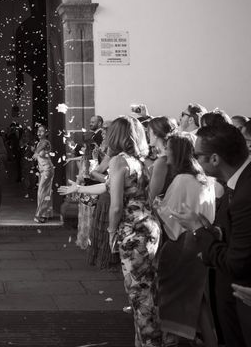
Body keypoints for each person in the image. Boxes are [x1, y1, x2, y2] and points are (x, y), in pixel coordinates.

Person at [171, 123, 251, 347]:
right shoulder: (238, 181)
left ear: (214, 159)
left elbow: (237, 263)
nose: (194, 159)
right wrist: (211, 231)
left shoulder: (245, 192)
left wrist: (198, 229)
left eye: (198, 155)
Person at [154, 134, 217, 346]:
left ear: (178, 152)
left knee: (178, 300)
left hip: (182, 245)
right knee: (197, 301)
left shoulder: (181, 180)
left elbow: (169, 214)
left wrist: (155, 204)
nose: (164, 153)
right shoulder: (205, 179)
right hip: (202, 242)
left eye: (168, 148)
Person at [106, 116, 162, 346]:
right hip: (149, 226)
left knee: (139, 294)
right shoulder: (140, 161)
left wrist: (111, 231)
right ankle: (143, 341)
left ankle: (150, 342)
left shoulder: (118, 162)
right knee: (147, 289)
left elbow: (117, 205)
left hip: (132, 231)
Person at [147, 116, 177, 202]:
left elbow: (152, 196)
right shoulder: (172, 154)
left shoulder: (162, 161)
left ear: (155, 134)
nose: (148, 135)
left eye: (149, 132)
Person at [33, 124, 54, 223]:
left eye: (41, 131)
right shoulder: (40, 143)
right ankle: (46, 213)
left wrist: (35, 152)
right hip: (43, 170)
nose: (39, 132)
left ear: (46, 133)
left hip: (47, 169)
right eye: (38, 131)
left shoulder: (45, 142)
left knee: (42, 192)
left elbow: (39, 150)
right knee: (46, 191)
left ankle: (40, 214)